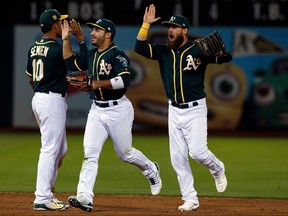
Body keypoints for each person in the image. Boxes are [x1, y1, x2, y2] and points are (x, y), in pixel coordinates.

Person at [134, 4, 231, 212]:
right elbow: (140, 48)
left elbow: (225, 59)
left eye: (175, 27)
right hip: (174, 110)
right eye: (169, 27)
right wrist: (145, 25)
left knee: (198, 153)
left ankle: (217, 168)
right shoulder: (162, 51)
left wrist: (222, 53)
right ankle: (190, 198)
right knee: (177, 158)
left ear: (184, 31)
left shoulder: (198, 49)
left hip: (195, 109)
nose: (170, 30)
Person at [61, 18, 162, 212]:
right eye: (92, 30)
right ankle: (85, 196)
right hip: (97, 110)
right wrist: (67, 39)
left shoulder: (117, 55)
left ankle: (151, 168)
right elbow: (70, 61)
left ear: (108, 34)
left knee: (125, 154)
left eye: (96, 30)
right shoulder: (91, 54)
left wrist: (98, 83)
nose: (92, 33)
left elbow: (125, 80)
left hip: (118, 110)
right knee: (90, 154)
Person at [25, 9, 87, 211]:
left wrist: (42, 95)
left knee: (61, 150)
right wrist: (78, 39)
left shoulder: (34, 48)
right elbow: (80, 64)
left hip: (41, 97)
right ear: (53, 26)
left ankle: (47, 190)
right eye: (60, 23)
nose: (64, 25)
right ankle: (42, 197)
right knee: (50, 149)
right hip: (50, 100)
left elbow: (30, 78)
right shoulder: (56, 48)